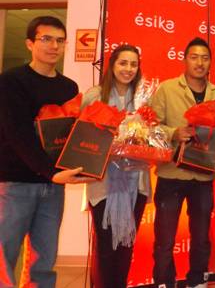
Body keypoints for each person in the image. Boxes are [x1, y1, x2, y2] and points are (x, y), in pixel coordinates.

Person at [0, 15, 93, 288]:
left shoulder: (68, 87)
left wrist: (77, 164)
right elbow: (17, 134)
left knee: (44, 258)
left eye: (60, 40)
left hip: (53, 186)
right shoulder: (10, 81)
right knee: (4, 253)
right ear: (30, 43)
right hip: (15, 183)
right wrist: (51, 172)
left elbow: (71, 137)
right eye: (46, 39)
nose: (54, 46)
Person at [151, 37, 215, 288]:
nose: (199, 63)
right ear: (184, 60)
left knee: (201, 237)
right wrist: (173, 133)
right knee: (165, 238)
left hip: (203, 175)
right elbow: (150, 126)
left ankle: (197, 280)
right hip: (171, 173)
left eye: (205, 58)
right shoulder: (167, 89)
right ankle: (163, 281)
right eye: (194, 57)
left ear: (210, 62)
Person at [82, 44, 151, 288]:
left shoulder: (144, 98)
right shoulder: (94, 96)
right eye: (123, 63)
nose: (128, 69)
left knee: (125, 247)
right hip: (103, 184)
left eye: (133, 64)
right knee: (105, 248)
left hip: (136, 183)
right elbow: (81, 137)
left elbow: (153, 136)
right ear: (112, 65)